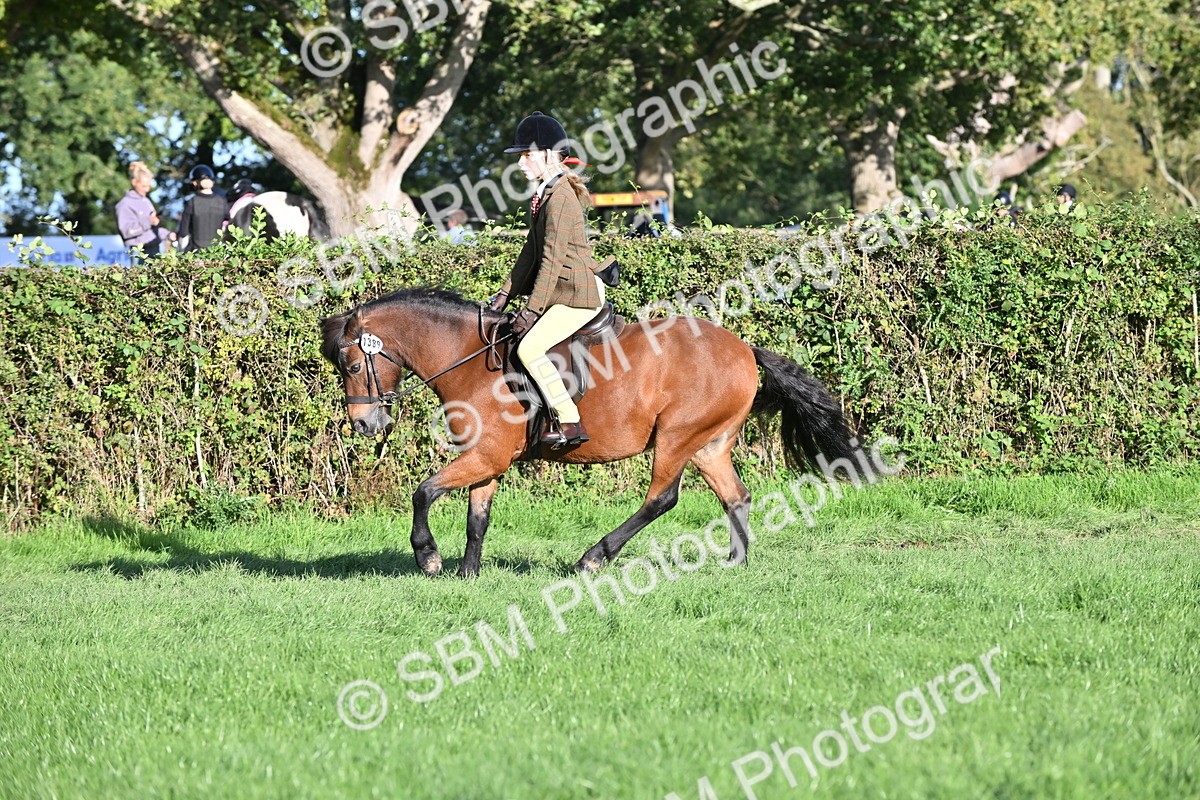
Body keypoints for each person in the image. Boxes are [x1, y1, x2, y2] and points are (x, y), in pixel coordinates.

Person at [489, 111, 607, 448]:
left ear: (547, 154)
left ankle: (569, 421)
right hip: (562, 290)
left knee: (530, 348)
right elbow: (532, 250)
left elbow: (553, 259)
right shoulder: (545, 193)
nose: (521, 163)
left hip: (578, 293)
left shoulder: (562, 197)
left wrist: (532, 308)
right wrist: (505, 294)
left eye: (526, 155)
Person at [115, 161, 175, 262]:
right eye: (144, 186)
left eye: (148, 186)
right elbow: (126, 232)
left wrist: (167, 234)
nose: (147, 190)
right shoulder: (124, 205)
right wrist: (148, 221)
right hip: (139, 252)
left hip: (155, 248)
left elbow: (152, 229)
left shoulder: (146, 201)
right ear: (134, 182)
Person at [178, 165, 228, 252]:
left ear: (194, 183)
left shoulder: (192, 202)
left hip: (196, 253)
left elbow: (183, 233)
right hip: (217, 254)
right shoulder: (222, 201)